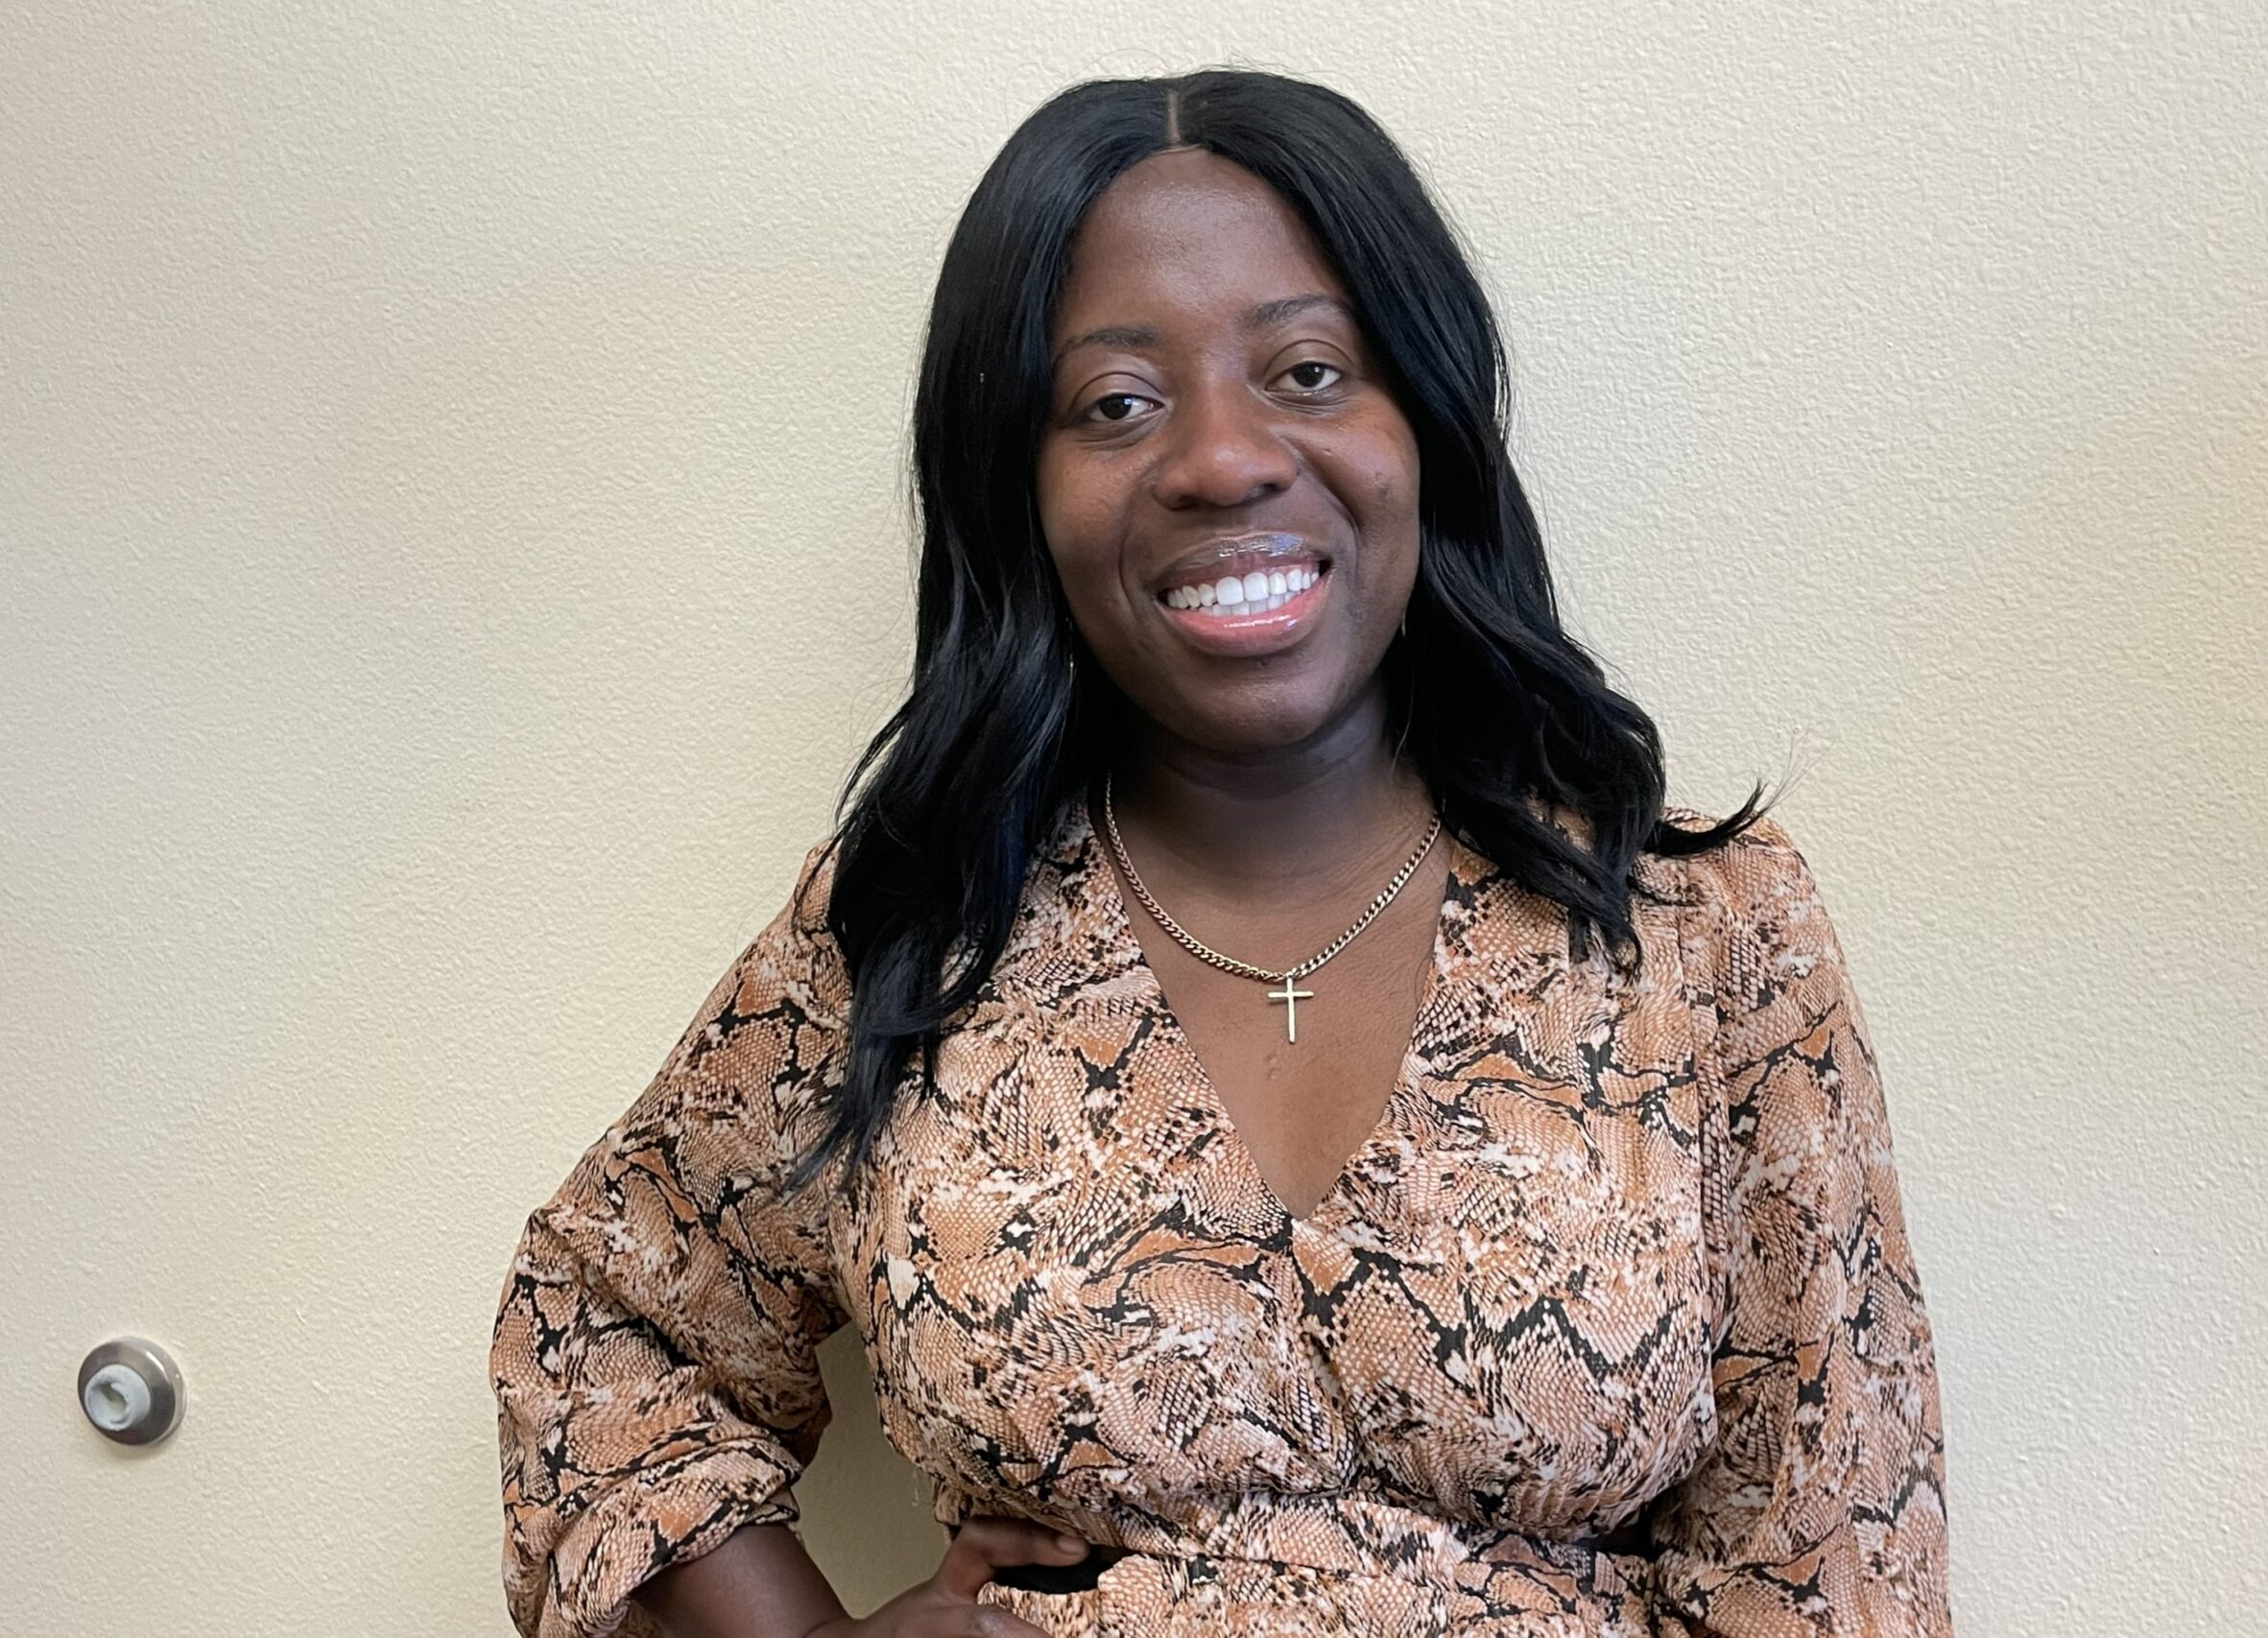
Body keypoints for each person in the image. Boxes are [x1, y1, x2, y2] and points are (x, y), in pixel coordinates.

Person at [490, 67, 1952, 1638]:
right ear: (1020, 489)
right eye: (1116, 403)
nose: (1222, 459)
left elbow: (1833, 1555)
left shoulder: (1702, 929)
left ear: (1429, 426)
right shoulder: (915, 922)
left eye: (1310, 370)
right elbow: (608, 1316)